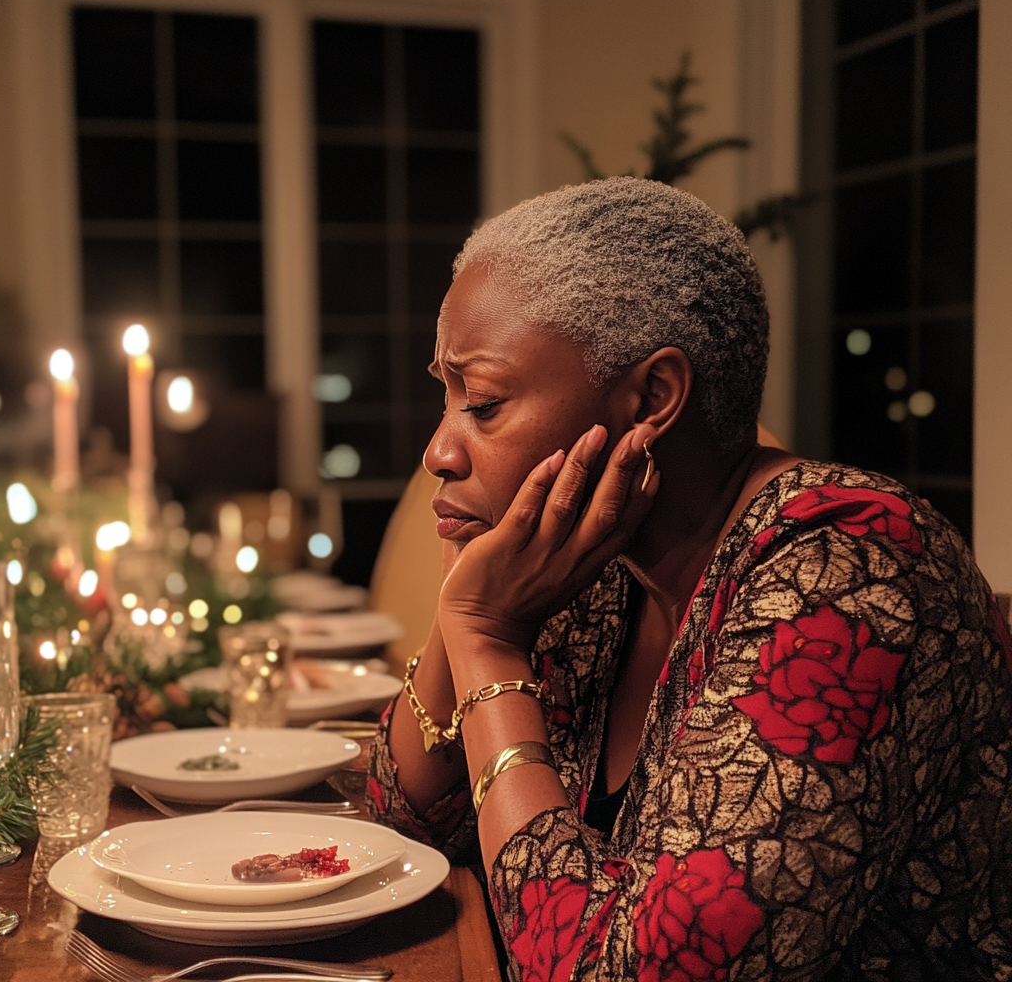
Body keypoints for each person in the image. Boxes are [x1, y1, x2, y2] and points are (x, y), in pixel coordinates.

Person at [366, 177, 1012, 981]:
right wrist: (466, 607)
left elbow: (640, 975)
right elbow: (403, 820)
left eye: (484, 402)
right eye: (448, 397)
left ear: (653, 398)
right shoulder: (600, 564)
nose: (440, 451)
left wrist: (488, 644)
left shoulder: (849, 566)